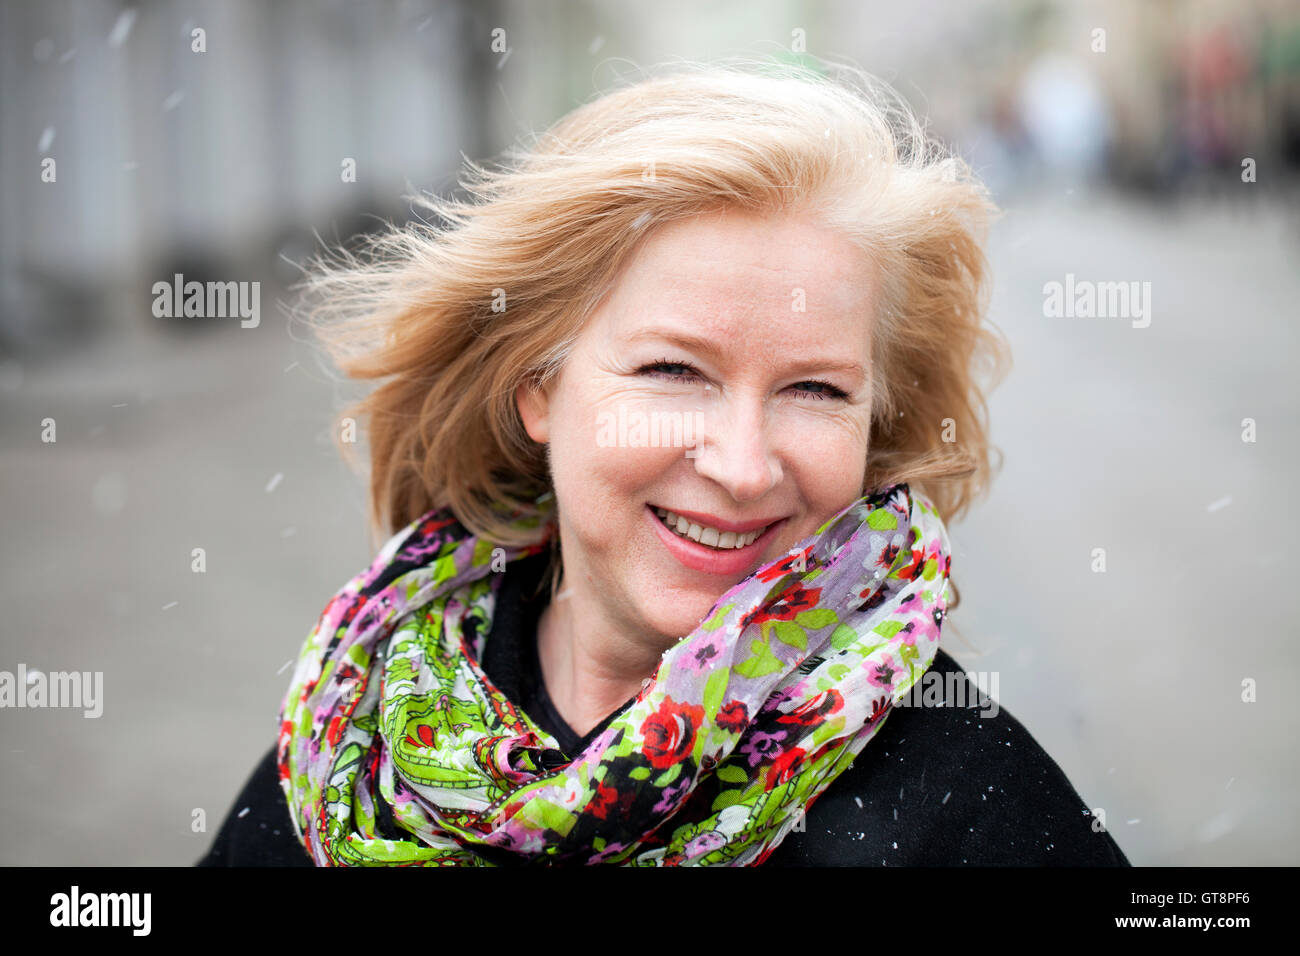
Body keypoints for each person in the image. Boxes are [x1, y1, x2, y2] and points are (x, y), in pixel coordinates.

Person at [199, 59, 1129, 867]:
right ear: (539, 388)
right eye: (674, 370)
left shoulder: (967, 807)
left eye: (815, 390)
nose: (741, 464)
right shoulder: (359, 741)